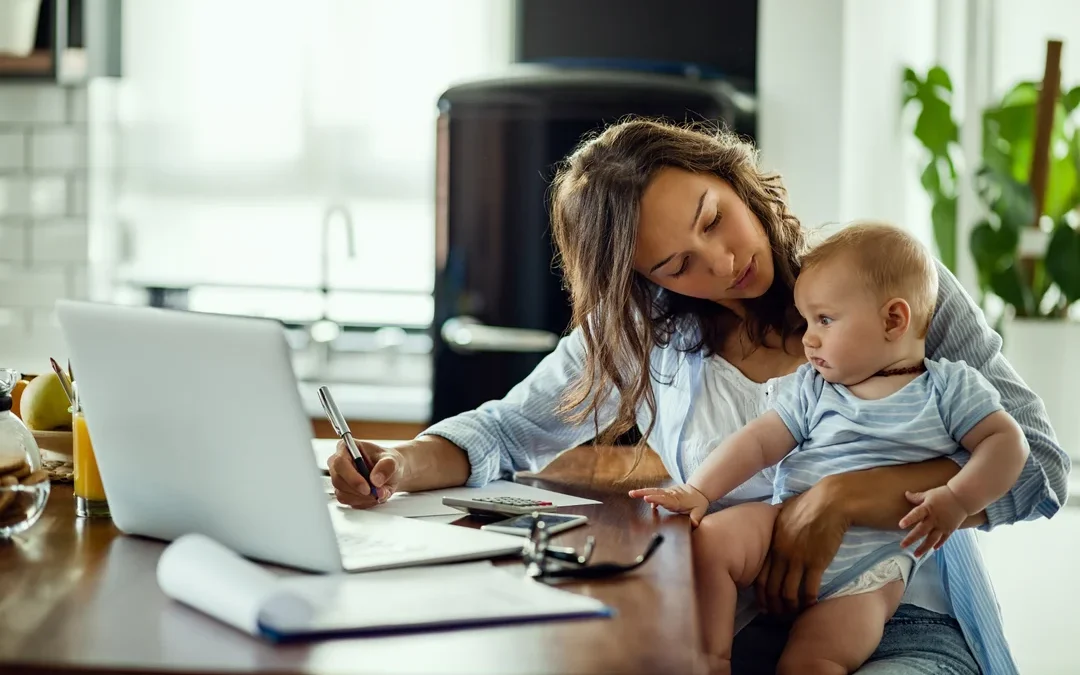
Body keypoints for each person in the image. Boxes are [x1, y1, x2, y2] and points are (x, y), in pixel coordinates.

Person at [328, 118, 1069, 674]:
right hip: (730, 616)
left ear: (734, 176)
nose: (723, 263)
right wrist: (398, 461)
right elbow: (507, 430)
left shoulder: (889, 287)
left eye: (714, 218)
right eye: (679, 263)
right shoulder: (647, 334)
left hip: (898, 615)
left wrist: (843, 497)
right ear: (648, 281)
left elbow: (1039, 472)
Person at [629, 222, 1029, 674]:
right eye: (807, 322)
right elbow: (760, 441)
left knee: (812, 660)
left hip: (871, 572)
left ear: (893, 320)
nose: (808, 339)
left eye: (824, 320)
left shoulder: (948, 388)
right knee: (712, 542)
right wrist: (699, 491)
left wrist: (958, 499)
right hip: (786, 523)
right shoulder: (816, 388)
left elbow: (1008, 443)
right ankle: (710, 661)